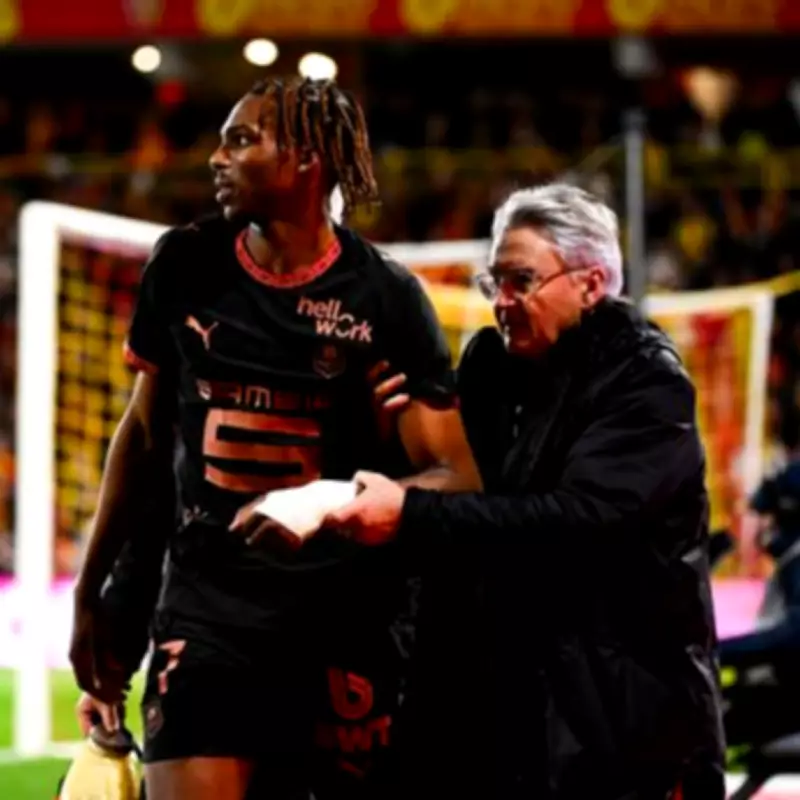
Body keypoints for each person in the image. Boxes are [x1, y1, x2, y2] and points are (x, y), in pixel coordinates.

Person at [70, 76, 480, 800]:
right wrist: (93, 594)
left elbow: (457, 478)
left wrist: (334, 496)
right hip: (208, 613)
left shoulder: (386, 298)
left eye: (240, 140)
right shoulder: (184, 265)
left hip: (345, 619)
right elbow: (144, 439)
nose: (216, 159)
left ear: (306, 159)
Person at [319, 184, 727, 799]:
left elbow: (578, 522)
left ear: (591, 284)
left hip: (625, 726)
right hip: (511, 713)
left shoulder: (646, 383)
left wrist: (411, 511)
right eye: (494, 283)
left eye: (522, 281)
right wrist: (385, 444)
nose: (501, 302)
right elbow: (470, 497)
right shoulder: (492, 369)